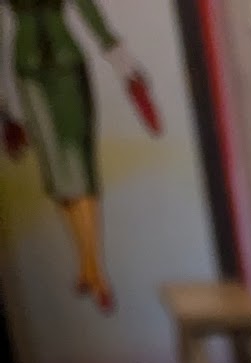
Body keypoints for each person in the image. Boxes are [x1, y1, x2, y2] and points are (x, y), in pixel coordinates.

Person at [0, 0, 160, 312]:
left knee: (78, 164)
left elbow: (89, 11)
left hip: (67, 65)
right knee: (55, 168)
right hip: (28, 73)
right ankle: (88, 266)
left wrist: (125, 66)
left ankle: (93, 269)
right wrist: (5, 108)